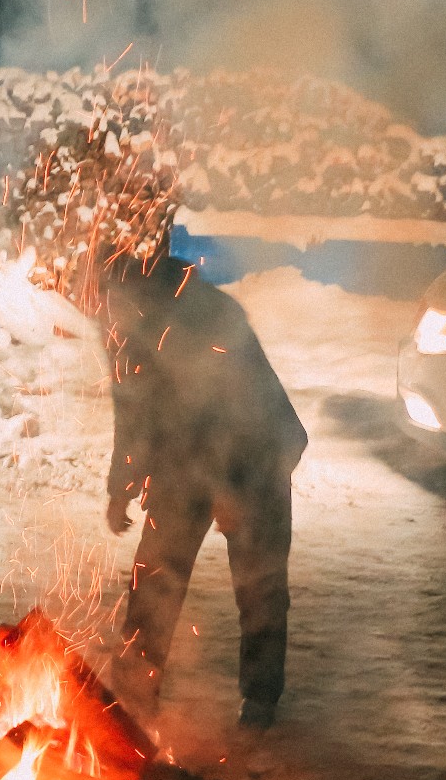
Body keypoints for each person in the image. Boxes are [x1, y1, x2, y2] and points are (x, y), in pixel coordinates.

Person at [101, 252, 308, 728]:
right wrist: (121, 485)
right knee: (154, 573)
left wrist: (225, 493)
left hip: (258, 453)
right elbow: (130, 406)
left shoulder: (206, 317)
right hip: (182, 456)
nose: (105, 314)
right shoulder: (117, 319)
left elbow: (233, 408)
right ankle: (133, 694)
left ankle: (260, 699)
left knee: (259, 583)